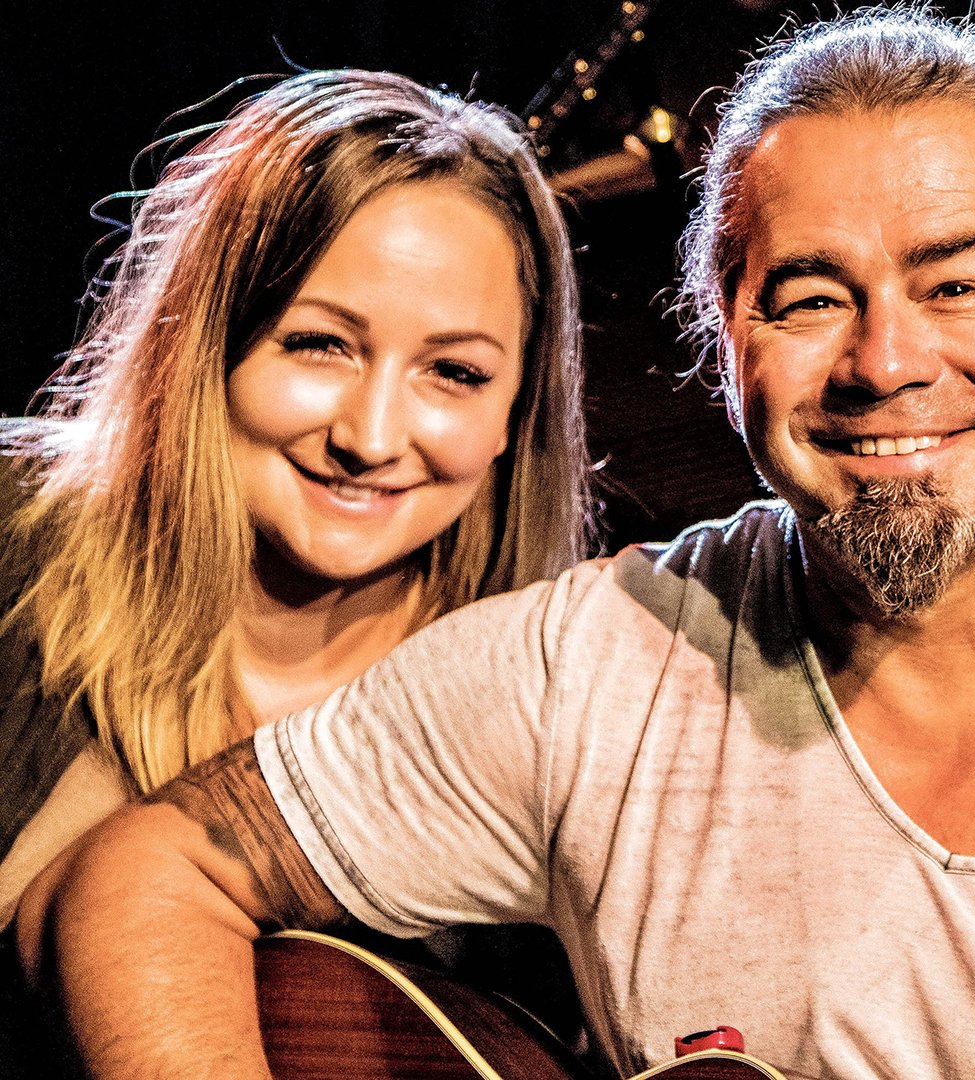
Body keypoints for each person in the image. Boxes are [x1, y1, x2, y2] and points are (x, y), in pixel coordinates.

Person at [22, 10, 975, 1078]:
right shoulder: (598, 662)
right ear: (726, 345)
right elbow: (157, 869)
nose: (886, 360)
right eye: (810, 297)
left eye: (955, 281)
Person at [0, 67, 592, 1065]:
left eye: (453, 373)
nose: (369, 436)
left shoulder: (554, 702)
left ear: (514, 413)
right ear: (209, 347)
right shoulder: (16, 541)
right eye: (319, 345)